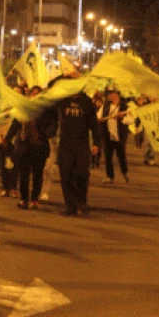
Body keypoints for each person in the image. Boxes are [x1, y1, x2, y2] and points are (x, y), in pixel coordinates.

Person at [3, 87, 57, 209]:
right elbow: (15, 124)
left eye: (38, 94)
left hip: (39, 146)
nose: (35, 96)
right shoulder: (23, 108)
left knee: (38, 174)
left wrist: (47, 132)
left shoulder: (45, 111)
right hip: (24, 145)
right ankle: (24, 199)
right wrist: (7, 139)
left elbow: (51, 126)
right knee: (23, 174)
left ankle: (34, 199)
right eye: (33, 94)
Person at [55, 78, 101, 215]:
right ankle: (71, 205)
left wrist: (96, 143)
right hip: (65, 143)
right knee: (65, 174)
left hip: (81, 143)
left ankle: (81, 202)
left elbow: (94, 125)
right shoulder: (62, 100)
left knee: (82, 173)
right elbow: (50, 88)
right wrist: (64, 75)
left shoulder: (87, 103)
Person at [99, 89, 131, 184]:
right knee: (108, 157)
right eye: (110, 94)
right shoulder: (105, 106)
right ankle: (110, 176)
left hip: (119, 136)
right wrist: (100, 119)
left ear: (117, 96)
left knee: (121, 156)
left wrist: (122, 118)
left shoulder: (125, 107)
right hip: (108, 135)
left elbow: (131, 120)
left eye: (113, 94)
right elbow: (98, 115)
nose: (111, 96)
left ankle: (125, 172)